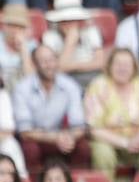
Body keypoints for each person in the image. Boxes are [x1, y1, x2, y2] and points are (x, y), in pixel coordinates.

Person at [86, 48, 139, 182]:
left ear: (134, 68)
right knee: (103, 153)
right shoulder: (98, 86)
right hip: (108, 142)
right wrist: (125, 143)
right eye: (118, 64)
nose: (122, 69)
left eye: (126, 65)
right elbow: (94, 129)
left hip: (137, 142)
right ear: (110, 66)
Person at [14, 45, 90, 174]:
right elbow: (25, 131)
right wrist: (56, 138)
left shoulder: (70, 85)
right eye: (43, 61)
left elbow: (79, 124)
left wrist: (70, 138)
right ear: (35, 64)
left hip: (61, 137)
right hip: (36, 139)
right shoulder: (22, 88)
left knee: (82, 148)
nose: (49, 65)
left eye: (52, 60)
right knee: (30, 149)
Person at [43, 0, 106, 88]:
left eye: (74, 20)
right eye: (65, 21)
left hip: (93, 76)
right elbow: (59, 69)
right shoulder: (50, 37)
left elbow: (100, 62)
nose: (70, 24)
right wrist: (70, 41)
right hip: (64, 81)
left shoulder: (91, 31)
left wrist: (73, 66)